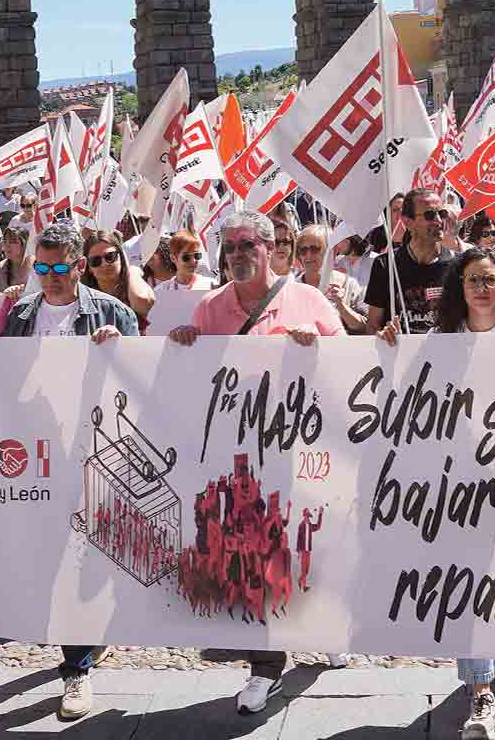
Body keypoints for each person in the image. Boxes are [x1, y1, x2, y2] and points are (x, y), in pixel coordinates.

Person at [165, 211, 344, 717]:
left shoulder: (308, 299)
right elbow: (194, 374)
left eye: (248, 246)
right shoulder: (210, 307)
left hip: (299, 450)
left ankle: (323, 625)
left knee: (307, 541)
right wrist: (183, 342)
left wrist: (318, 342)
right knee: (253, 556)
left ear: (270, 249)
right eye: (230, 248)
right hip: (238, 457)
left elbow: (350, 370)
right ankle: (265, 666)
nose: (238, 256)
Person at [382, 245, 495, 739]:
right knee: (471, 579)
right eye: (473, 280)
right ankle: (481, 692)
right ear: (459, 290)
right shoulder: (439, 344)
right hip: (460, 484)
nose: (483, 288)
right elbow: (407, 396)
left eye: (491, 279)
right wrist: (389, 349)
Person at [0, 223, 139, 721]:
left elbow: (141, 382)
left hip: (93, 450)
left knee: (86, 560)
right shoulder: (21, 313)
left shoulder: (111, 312)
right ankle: (80, 655)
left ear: (78, 265)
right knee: (56, 559)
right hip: (38, 456)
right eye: (42, 268)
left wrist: (122, 349)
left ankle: (78, 667)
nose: (50, 278)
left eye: (59, 268)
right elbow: (0, 378)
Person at [365, 188, 456, 335]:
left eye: (442, 213)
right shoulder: (386, 265)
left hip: (444, 354)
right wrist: (383, 335)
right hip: (399, 354)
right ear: (408, 222)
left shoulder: (457, 265)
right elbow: (373, 326)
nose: (439, 220)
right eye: (430, 215)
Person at [294, 223, 366, 334]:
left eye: (315, 249)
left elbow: (364, 327)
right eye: (303, 250)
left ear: (331, 250)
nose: (308, 255)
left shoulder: (349, 285)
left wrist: (341, 305)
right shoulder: (292, 288)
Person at [81, 229, 154, 331]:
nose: (105, 264)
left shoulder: (132, 282)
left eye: (110, 256)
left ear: (121, 256)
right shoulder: (83, 294)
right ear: (88, 267)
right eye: (95, 261)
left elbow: (142, 302)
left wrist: (131, 271)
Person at [148, 230, 215, 334]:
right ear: (173, 258)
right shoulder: (160, 291)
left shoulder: (212, 285)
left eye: (197, 256)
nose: (193, 261)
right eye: (186, 257)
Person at [0, 225, 32, 293]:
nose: (7, 245)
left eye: (13, 242)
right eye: (5, 241)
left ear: (25, 245)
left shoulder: (35, 269)